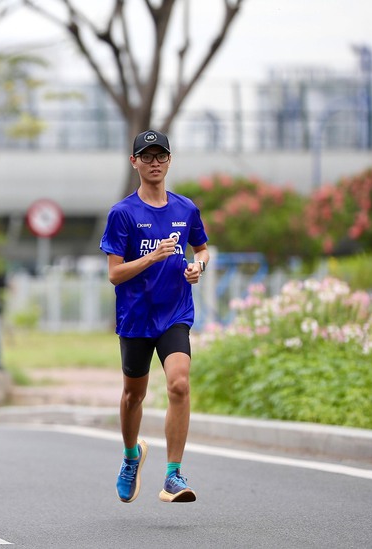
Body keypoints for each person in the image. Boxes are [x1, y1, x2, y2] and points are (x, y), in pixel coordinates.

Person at [99, 130, 209, 504]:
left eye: (161, 155)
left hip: (175, 313)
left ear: (170, 160)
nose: (155, 162)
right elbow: (114, 274)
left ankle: (173, 475)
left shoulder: (185, 209)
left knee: (179, 384)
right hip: (136, 318)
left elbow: (204, 249)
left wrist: (199, 267)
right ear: (135, 163)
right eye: (146, 156)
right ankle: (131, 456)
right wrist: (151, 257)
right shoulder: (122, 213)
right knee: (134, 395)